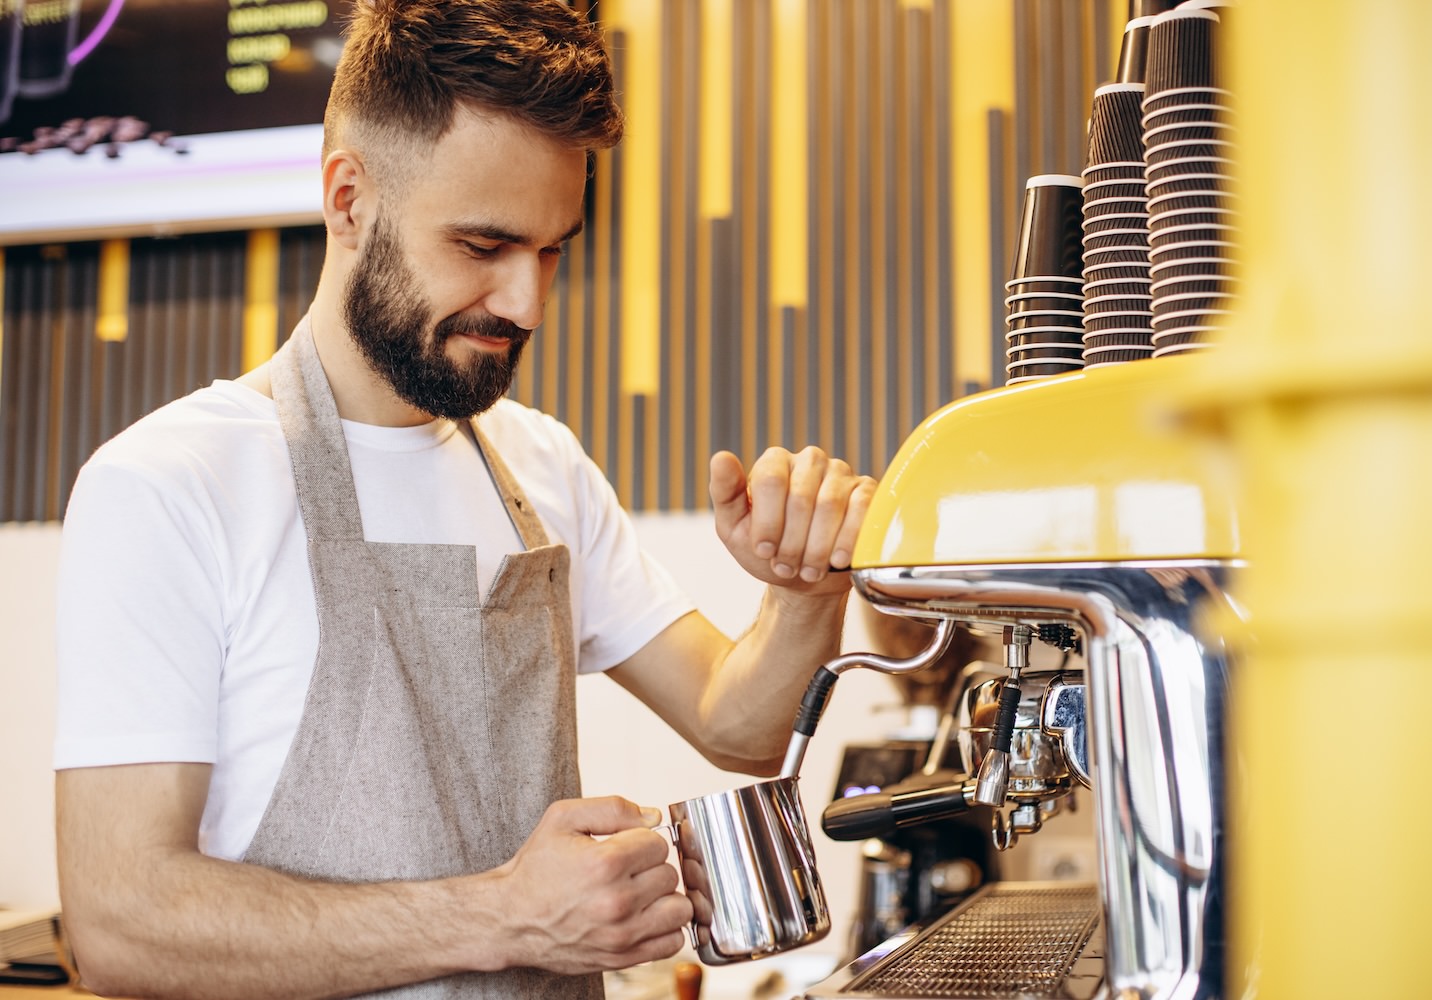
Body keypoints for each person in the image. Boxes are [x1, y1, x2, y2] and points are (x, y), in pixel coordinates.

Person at [51, 2, 874, 997]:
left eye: (553, 248)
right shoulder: (171, 488)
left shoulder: (542, 467)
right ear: (348, 198)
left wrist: (803, 589)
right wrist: (510, 913)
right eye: (484, 245)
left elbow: (742, 724)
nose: (527, 303)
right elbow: (123, 925)